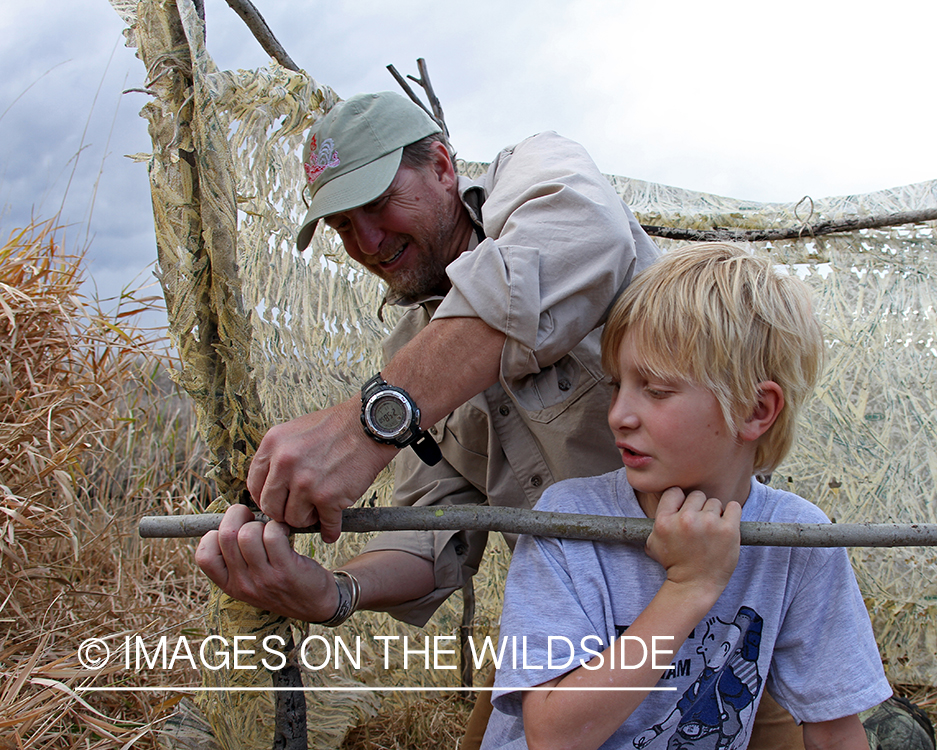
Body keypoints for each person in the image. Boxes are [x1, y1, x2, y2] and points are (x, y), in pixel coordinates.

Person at [193, 92, 808, 749]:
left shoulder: (540, 177)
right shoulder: (409, 354)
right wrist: (334, 593)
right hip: (564, 624)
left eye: (377, 204)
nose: (366, 242)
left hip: (710, 614)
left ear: (441, 166)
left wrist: (367, 426)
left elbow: (577, 235)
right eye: (343, 227)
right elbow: (436, 532)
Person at [481, 243, 893, 749]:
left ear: (754, 410)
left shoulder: (798, 540)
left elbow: (834, 730)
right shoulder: (569, 520)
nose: (619, 415)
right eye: (617, 386)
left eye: (655, 391)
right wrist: (689, 586)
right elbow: (555, 736)